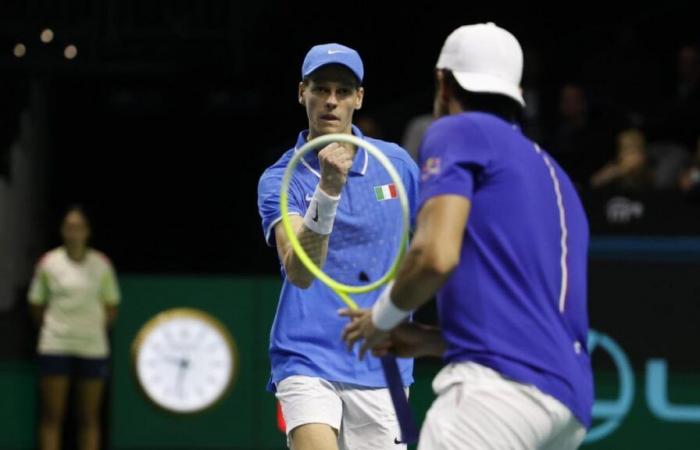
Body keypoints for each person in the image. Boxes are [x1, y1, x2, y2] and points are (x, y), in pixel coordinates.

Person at [342, 23, 593, 450]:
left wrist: (379, 319)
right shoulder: (555, 175)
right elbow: (532, 323)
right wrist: (427, 341)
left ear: (442, 82)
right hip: (568, 405)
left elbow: (435, 256)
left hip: (493, 397)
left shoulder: (458, 131)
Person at [256, 43, 419, 450]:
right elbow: (299, 271)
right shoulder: (281, 179)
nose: (331, 100)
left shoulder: (395, 165)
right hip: (306, 354)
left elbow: (440, 241)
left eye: (343, 91)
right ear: (301, 93)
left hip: (384, 361)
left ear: (358, 98)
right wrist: (327, 190)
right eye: (320, 89)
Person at [28, 206, 120, 450]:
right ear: (62, 231)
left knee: (89, 419)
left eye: (78, 227)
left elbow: (111, 307)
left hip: (92, 347)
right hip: (55, 344)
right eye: (69, 227)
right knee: (52, 418)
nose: (73, 232)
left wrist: (90, 329)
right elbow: (37, 304)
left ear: (87, 232)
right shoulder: (48, 263)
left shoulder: (102, 265)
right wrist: (57, 328)